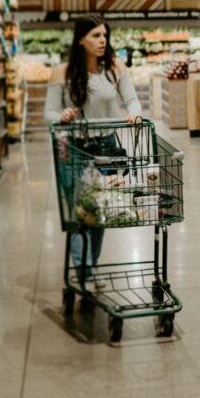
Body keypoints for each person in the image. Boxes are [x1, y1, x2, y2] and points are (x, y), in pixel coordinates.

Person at [45, 15, 142, 287]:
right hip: (73, 147)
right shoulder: (61, 72)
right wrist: (60, 115)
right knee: (78, 212)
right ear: (80, 40)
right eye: (95, 36)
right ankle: (85, 271)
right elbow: (48, 113)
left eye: (104, 35)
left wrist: (134, 114)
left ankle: (90, 266)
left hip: (106, 146)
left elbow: (132, 101)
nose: (102, 41)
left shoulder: (115, 67)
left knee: (100, 209)